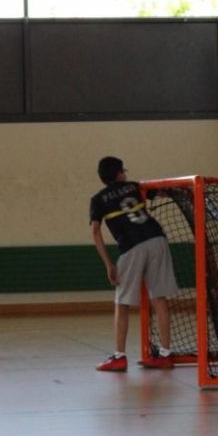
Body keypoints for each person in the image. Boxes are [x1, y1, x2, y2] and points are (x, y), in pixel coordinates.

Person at [90, 156, 179, 371]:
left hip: (132, 246)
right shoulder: (134, 187)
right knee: (159, 298)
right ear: (119, 173)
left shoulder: (98, 199)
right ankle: (165, 354)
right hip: (157, 239)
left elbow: (95, 231)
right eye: (124, 171)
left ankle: (119, 357)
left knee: (122, 303)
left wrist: (108, 264)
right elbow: (162, 192)